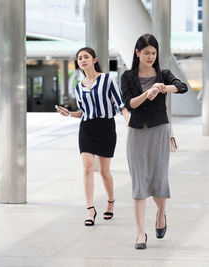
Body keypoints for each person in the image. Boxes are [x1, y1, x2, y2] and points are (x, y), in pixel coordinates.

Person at [121, 34, 188, 249]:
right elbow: (129, 103)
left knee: (158, 179)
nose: (150, 56)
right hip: (137, 132)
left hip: (159, 130)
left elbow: (182, 86)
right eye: (146, 52)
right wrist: (146, 94)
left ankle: (161, 213)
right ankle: (141, 233)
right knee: (139, 181)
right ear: (137, 52)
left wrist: (165, 87)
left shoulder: (164, 74)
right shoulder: (128, 76)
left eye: (154, 53)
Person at [57, 47, 129, 226]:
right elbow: (83, 112)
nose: (82, 60)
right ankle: (90, 209)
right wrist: (69, 114)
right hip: (87, 128)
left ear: (94, 60)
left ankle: (111, 202)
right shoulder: (79, 87)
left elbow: (121, 104)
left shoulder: (107, 80)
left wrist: (128, 121)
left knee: (104, 172)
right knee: (88, 167)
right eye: (80, 58)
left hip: (106, 127)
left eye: (86, 57)